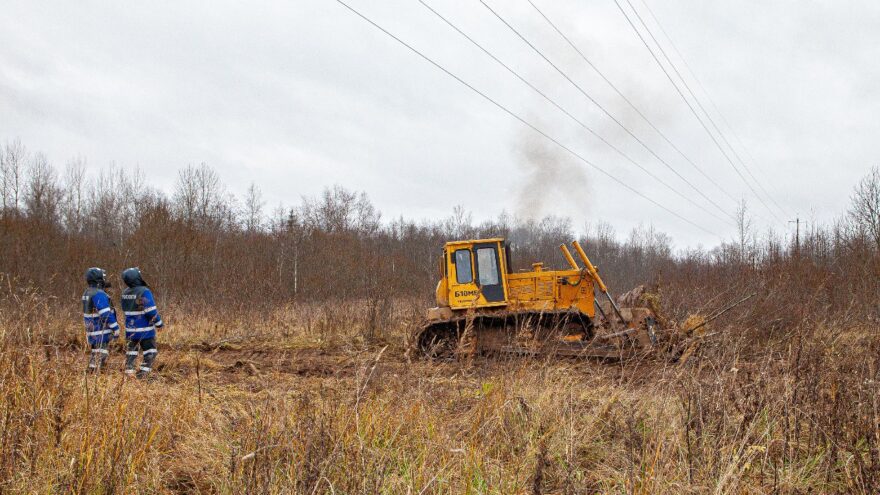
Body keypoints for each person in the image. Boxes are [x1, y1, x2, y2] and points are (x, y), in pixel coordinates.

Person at [120, 267, 164, 378]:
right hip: (145, 331)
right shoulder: (144, 291)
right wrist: (159, 323)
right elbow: (150, 311)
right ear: (137, 277)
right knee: (150, 352)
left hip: (130, 331)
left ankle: (129, 373)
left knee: (131, 352)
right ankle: (143, 375)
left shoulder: (125, 293)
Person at [82, 267, 119, 371]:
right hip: (100, 329)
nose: (104, 279)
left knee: (95, 350)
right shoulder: (98, 293)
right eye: (103, 277)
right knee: (102, 351)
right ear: (98, 279)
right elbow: (105, 312)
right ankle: (97, 373)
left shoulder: (87, 292)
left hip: (91, 329)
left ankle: (92, 369)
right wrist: (115, 327)